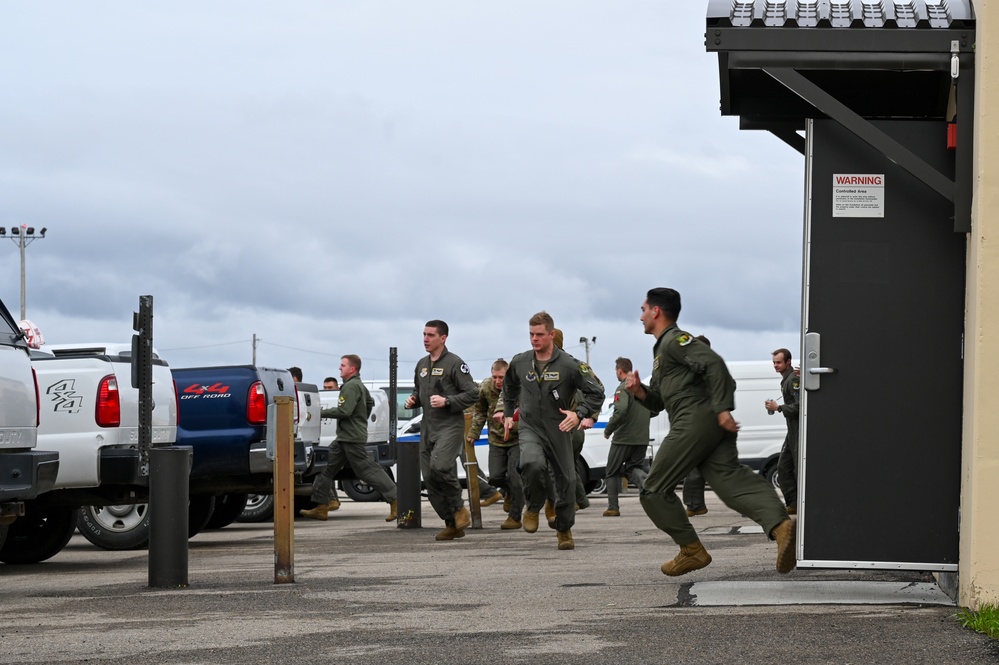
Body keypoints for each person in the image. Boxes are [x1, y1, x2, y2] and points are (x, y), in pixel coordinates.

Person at [625, 288, 795, 576]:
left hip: (694, 421)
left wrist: (722, 408)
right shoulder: (662, 352)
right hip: (705, 422)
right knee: (730, 481)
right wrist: (639, 391)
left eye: (643, 309)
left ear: (656, 311)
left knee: (653, 490)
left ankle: (692, 550)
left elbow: (715, 365)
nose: (640, 316)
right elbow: (659, 401)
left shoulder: (675, 341)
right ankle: (780, 527)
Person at [502, 311, 604, 550]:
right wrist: (508, 414)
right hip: (530, 426)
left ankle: (564, 529)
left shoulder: (570, 365)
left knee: (567, 481)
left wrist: (579, 413)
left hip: (559, 428)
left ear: (551, 335)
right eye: (531, 334)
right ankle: (534, 506)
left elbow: (596, 392)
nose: (534, 339)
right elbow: (509, 387)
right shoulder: (520, 361)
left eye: (539, 335)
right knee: (531, 463)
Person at [404, 320, 479, 541]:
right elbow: (419, 392)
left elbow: (473, 393)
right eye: (424, 335)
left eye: (430, 335)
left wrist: (448, 401)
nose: (425, 339)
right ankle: (452, 523)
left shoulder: (455, 363)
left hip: (450, 425)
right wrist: (413, 400)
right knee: (429, 477)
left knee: (441, 466)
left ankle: (459, 509)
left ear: (443, 338)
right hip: (428, 426)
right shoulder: (422, 364)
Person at [300, 355, 398, 522]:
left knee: (367, 470)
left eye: (343, 365)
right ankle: (322, 506)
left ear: (352, 369)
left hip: (351, 438)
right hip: (345, 437)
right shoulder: (358, 385)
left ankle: (396, 499)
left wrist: (319, 413)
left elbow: (344, 411)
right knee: (324, 467)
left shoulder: (351, 387)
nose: (340, 368)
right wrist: (360, 420)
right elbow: (369, 403)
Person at [468, 358, 523, 529]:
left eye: (502, 377)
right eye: (495, 377)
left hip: (517, 439)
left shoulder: (518, 388)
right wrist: (473, 433)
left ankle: (514, 517)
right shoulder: (485, 387)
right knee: (495, 477)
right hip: (496, 439)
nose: (498, 381)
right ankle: (510, 494)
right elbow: (480, 412)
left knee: (516, 479)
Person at [602, 357, 650, 517]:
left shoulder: (623, 388)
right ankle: (650, 488)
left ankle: (613, 507)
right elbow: (654, 409)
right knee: (633, 469)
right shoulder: (642, 387)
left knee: (611, 471)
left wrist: (609, 429)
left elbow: (620, 410)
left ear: (619, 371)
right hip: (642, 437)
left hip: (624, 438)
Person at [765, 348, 800, 515]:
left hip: (797, 430)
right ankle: (792, 504)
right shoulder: (787, 379)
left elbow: (800, 406)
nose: (775, 366)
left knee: (792, 467)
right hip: (791, 431)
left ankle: (796, 503)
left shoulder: (793, 379)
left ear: (788, 362)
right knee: (784, 467)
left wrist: (778, 407)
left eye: (779, 362)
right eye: (774, 362)